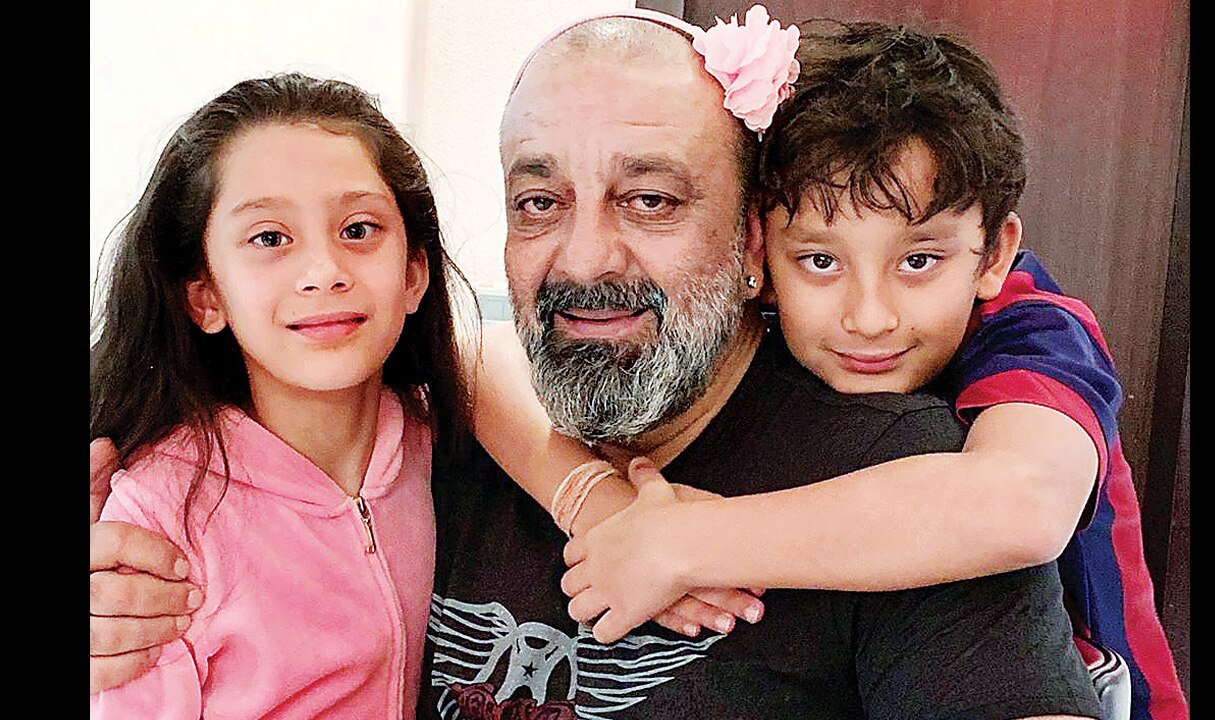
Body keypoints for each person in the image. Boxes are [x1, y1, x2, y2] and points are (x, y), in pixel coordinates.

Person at [90, 9, 1101, 720]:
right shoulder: (431, 448)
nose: (581, 262)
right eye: (539, 204)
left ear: (753, 240)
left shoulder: (901, 484)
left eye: (650, 200)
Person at [544, 19, 1189, 720]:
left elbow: (1022, 505)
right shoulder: (751, 326)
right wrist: (597, 501)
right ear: (757, 248)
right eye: (820, 261)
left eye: (919, 260)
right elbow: (484, 369)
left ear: (996, 254)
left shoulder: (1035, 328)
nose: (870, 316)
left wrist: (683, 541)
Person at [89, 73, 474, 717]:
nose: (324, 272)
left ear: (414, 274)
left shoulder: (452, 439)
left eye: (359, 229)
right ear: (206, 297)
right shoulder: (161, 509)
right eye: (270, 238)